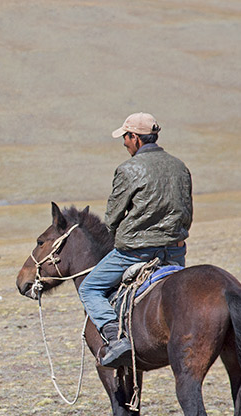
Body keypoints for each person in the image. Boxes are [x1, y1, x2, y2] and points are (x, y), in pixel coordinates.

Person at [79, 112, 193, 368]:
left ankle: (115, 338)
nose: (124, 143)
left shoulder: (128, 169)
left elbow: (112, 218)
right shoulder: (179, 166)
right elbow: (187, 212)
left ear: (136, 138)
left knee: (90, 288)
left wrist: (121, 237)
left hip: (136, 253)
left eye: (126, 137)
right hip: (175, 253)